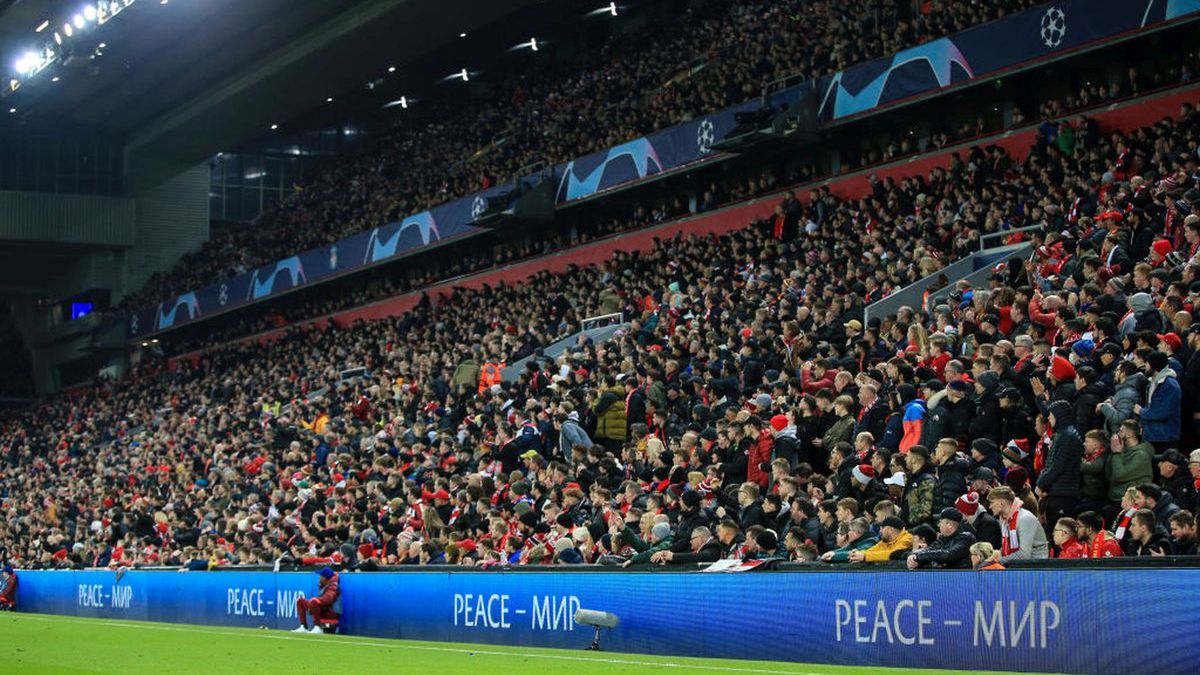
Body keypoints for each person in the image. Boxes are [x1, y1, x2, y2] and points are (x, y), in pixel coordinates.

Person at [987, 486, 1048, 563]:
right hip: (1017, 562)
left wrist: (999, 561)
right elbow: (1006, 543)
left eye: (992, 502)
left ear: (1002, 503)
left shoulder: (1025, 519)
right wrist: (996, 557)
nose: (990, 507)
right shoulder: (1003, 518)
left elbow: (1024, 555)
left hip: (1036, 565)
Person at [906, 508, 975, 570]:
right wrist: (913, 557)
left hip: (962, 579)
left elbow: (949, 555)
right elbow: (930, 549)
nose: (938, 525)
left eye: (941, 522)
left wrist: (919, 556)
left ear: (949, 525)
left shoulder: (966, 538)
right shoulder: (943, 539)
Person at [294, 567, 341, 634]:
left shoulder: (333, 586)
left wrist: (315, 601)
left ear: (324, 578)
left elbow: (328, 599)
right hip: (324, 609)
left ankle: (318, 627)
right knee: (300, 601)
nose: (319, 578)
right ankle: (303, 626)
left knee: (314, 601)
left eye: (320, 576)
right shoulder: (324, 585)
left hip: (331, 612)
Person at [848, 516, 913, 563]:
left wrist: (865, 556)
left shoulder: (907, 539)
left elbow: (893, 554)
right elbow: (871, 551)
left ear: (890, 529)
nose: (880, 531)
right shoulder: (884, 541)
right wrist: (858, 554)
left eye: (882, 528)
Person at [651, 526, 720, 565]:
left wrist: (673, 556)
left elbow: (699, 556)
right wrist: (668, 558)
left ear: (700, 538)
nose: (690, 541)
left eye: (692, 539)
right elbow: (688, 556)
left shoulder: (713, 546)